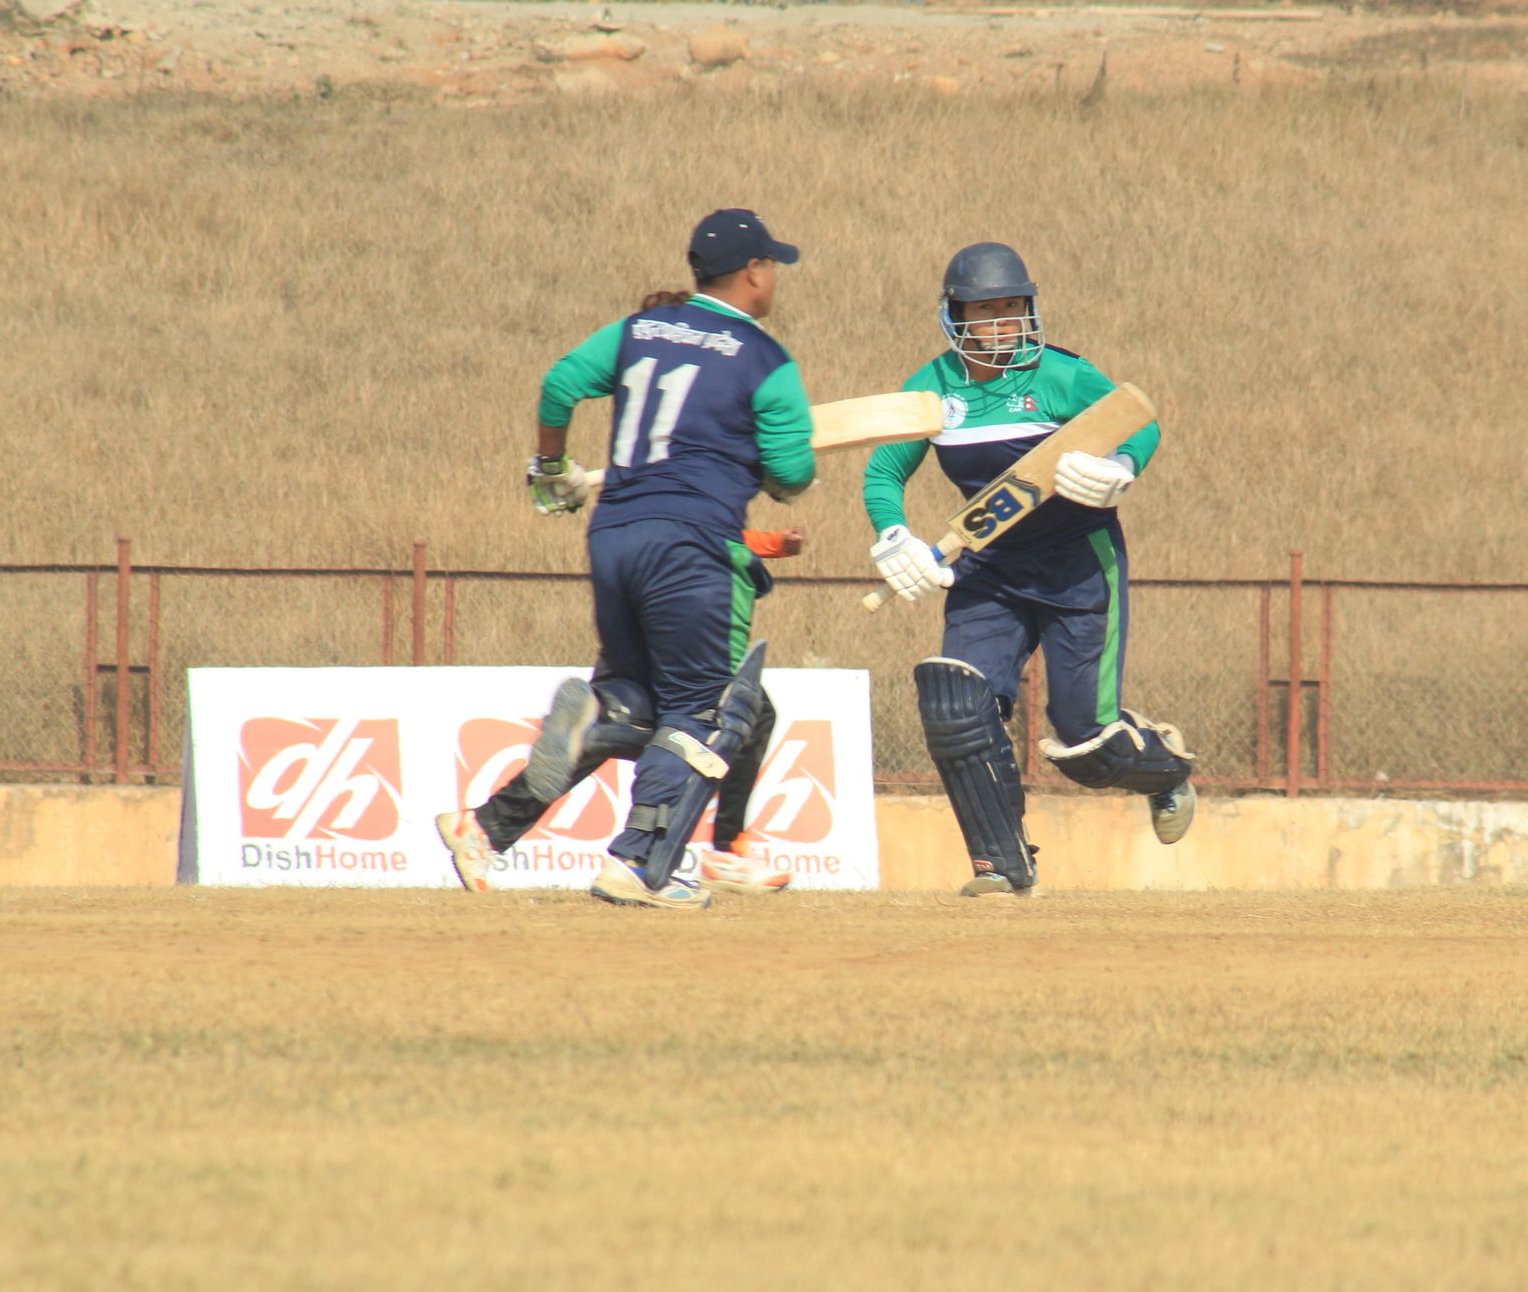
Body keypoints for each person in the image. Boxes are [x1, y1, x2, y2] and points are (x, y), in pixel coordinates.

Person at [440, 208, 814, 909]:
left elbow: (559, 383)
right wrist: (765, 462)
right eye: (773, 268)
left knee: (648, 701)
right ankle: (641, 861)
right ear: (755, 272)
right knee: (706, 712)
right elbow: (793, 474)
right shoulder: (766, 360)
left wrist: (551, 466)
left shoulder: (639, 333)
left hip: (614, 536)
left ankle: (504, 815)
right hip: (693, 544)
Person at [862, 242, 1196, 897]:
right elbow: (884, 470)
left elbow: (1139, 422)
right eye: (988, 310)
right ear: (956, 316)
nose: (1005, 322)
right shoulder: (930, 389)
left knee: (1087, 747)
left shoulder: (1061, 377)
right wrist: (892, 535)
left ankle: (1166, 772)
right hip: (989, 570)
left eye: (1014, 306)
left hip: (1079, 568)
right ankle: (1003, 863)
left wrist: (1119, 469)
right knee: (960, 705)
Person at [435, 525, 805, 898]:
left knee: (619, 723)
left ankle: (486, 826)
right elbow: (706, 519)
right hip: (681, 598)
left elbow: (700, 517)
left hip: (633, 589)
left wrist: (770, 543)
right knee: (724, 715)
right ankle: (707, 854)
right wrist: (764, 542)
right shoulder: (700, 487)